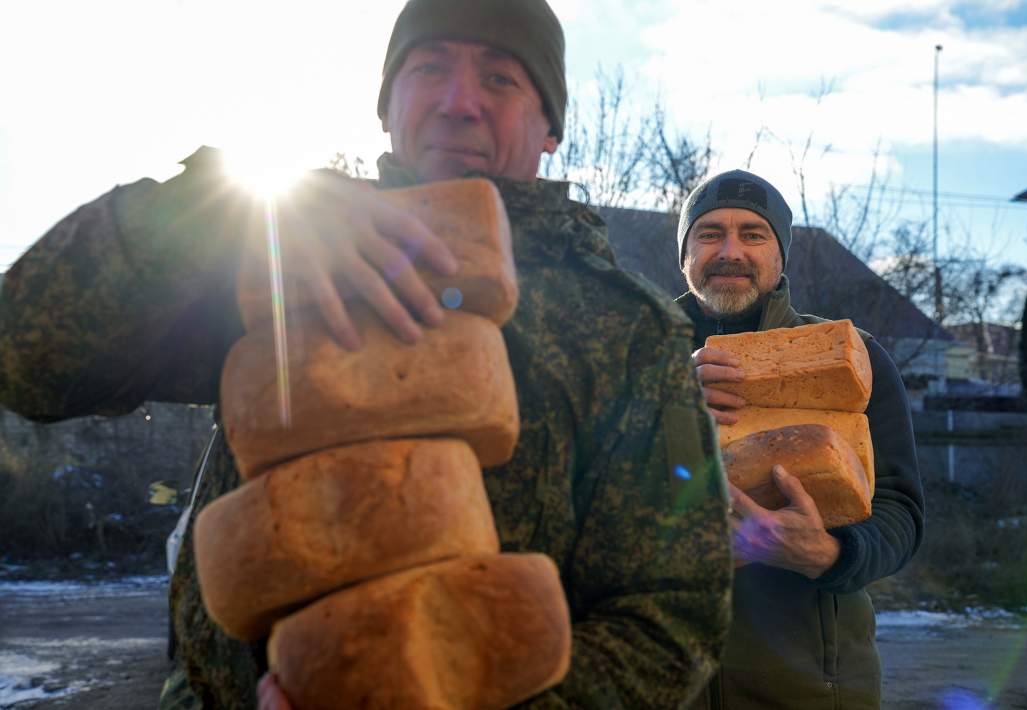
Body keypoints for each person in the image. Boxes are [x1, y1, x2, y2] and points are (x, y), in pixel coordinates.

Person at [0, 0, 732, 707]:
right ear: (385, 106)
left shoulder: (625, 329)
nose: (458, 100)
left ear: (550, 128)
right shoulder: (276, 249)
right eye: (427, 68)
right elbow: (27, 360)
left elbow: (669, 614)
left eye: (500, 77)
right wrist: (215, 214)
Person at [678, 169, 925, 709]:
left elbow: (899, 513)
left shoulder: (854, 356)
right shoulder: (634, 362)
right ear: (685, 255)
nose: (731, 251)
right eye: (710, 233)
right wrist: (665, 409)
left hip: (810, 689)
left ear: (781, 256)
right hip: (661, 685)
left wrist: (829, 554)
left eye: (753, 234)